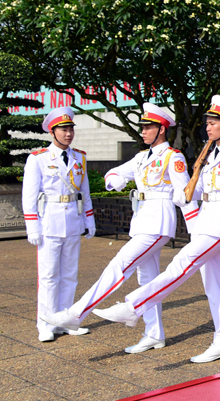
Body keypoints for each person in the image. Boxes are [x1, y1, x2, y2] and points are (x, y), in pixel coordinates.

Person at [92, 95, 220, 362]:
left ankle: (134, 305)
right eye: (206, 122)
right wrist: (185, 194)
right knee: (213, 284)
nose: (207, 127)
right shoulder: (208, 156)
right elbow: (199, 191)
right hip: (208, 218)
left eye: (213, 122)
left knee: (182, 263)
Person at [40, 104, 198, 353]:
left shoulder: (173, 157)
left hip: (158, 221)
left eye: (148, 127)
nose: (143, 131)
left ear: (161, 130)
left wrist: (196, 232)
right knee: (147, 279)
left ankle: (76, 313)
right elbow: (113, 172)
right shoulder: (142, 157)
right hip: (143, 220)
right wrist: (115, 180)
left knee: (119, 266)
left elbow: (187, 196)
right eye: (143, 127)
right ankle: (154, 333)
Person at [22, 107, 96, 342]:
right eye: (63, 129)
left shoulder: (79, 157)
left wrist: (89, 219)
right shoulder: (38, 158)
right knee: (49, 276)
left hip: (73, 222)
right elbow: (29, 196)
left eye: (70, 129)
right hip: (49, 223)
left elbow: (84, 192)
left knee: (70, 275)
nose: (68, 134)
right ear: (52, 132)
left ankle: (65, 321)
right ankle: (45, 323)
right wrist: (32, 225)